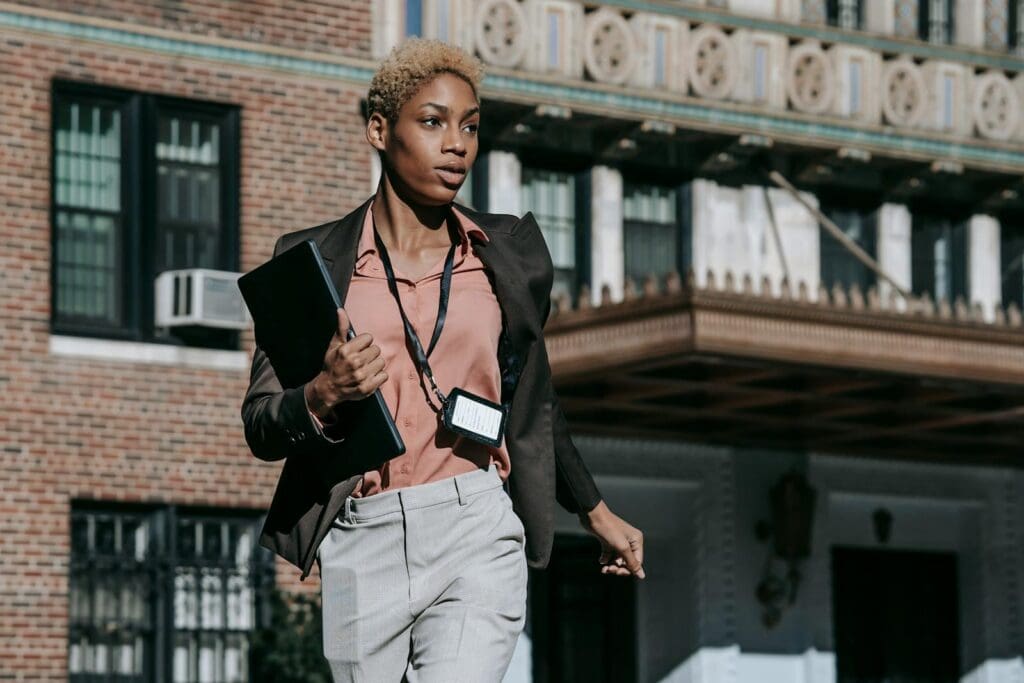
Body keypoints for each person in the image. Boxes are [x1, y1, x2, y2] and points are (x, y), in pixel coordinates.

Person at [242, 38, 645, 682]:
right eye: (432, 122)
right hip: (362, 529)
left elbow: (532, 402)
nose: (456, 143)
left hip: (475, 521)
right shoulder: (311, 265)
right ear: (380, 130)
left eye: (470, 126)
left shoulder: (506, 254)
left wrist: (594, 511)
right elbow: (262, 424)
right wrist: (321, 393)